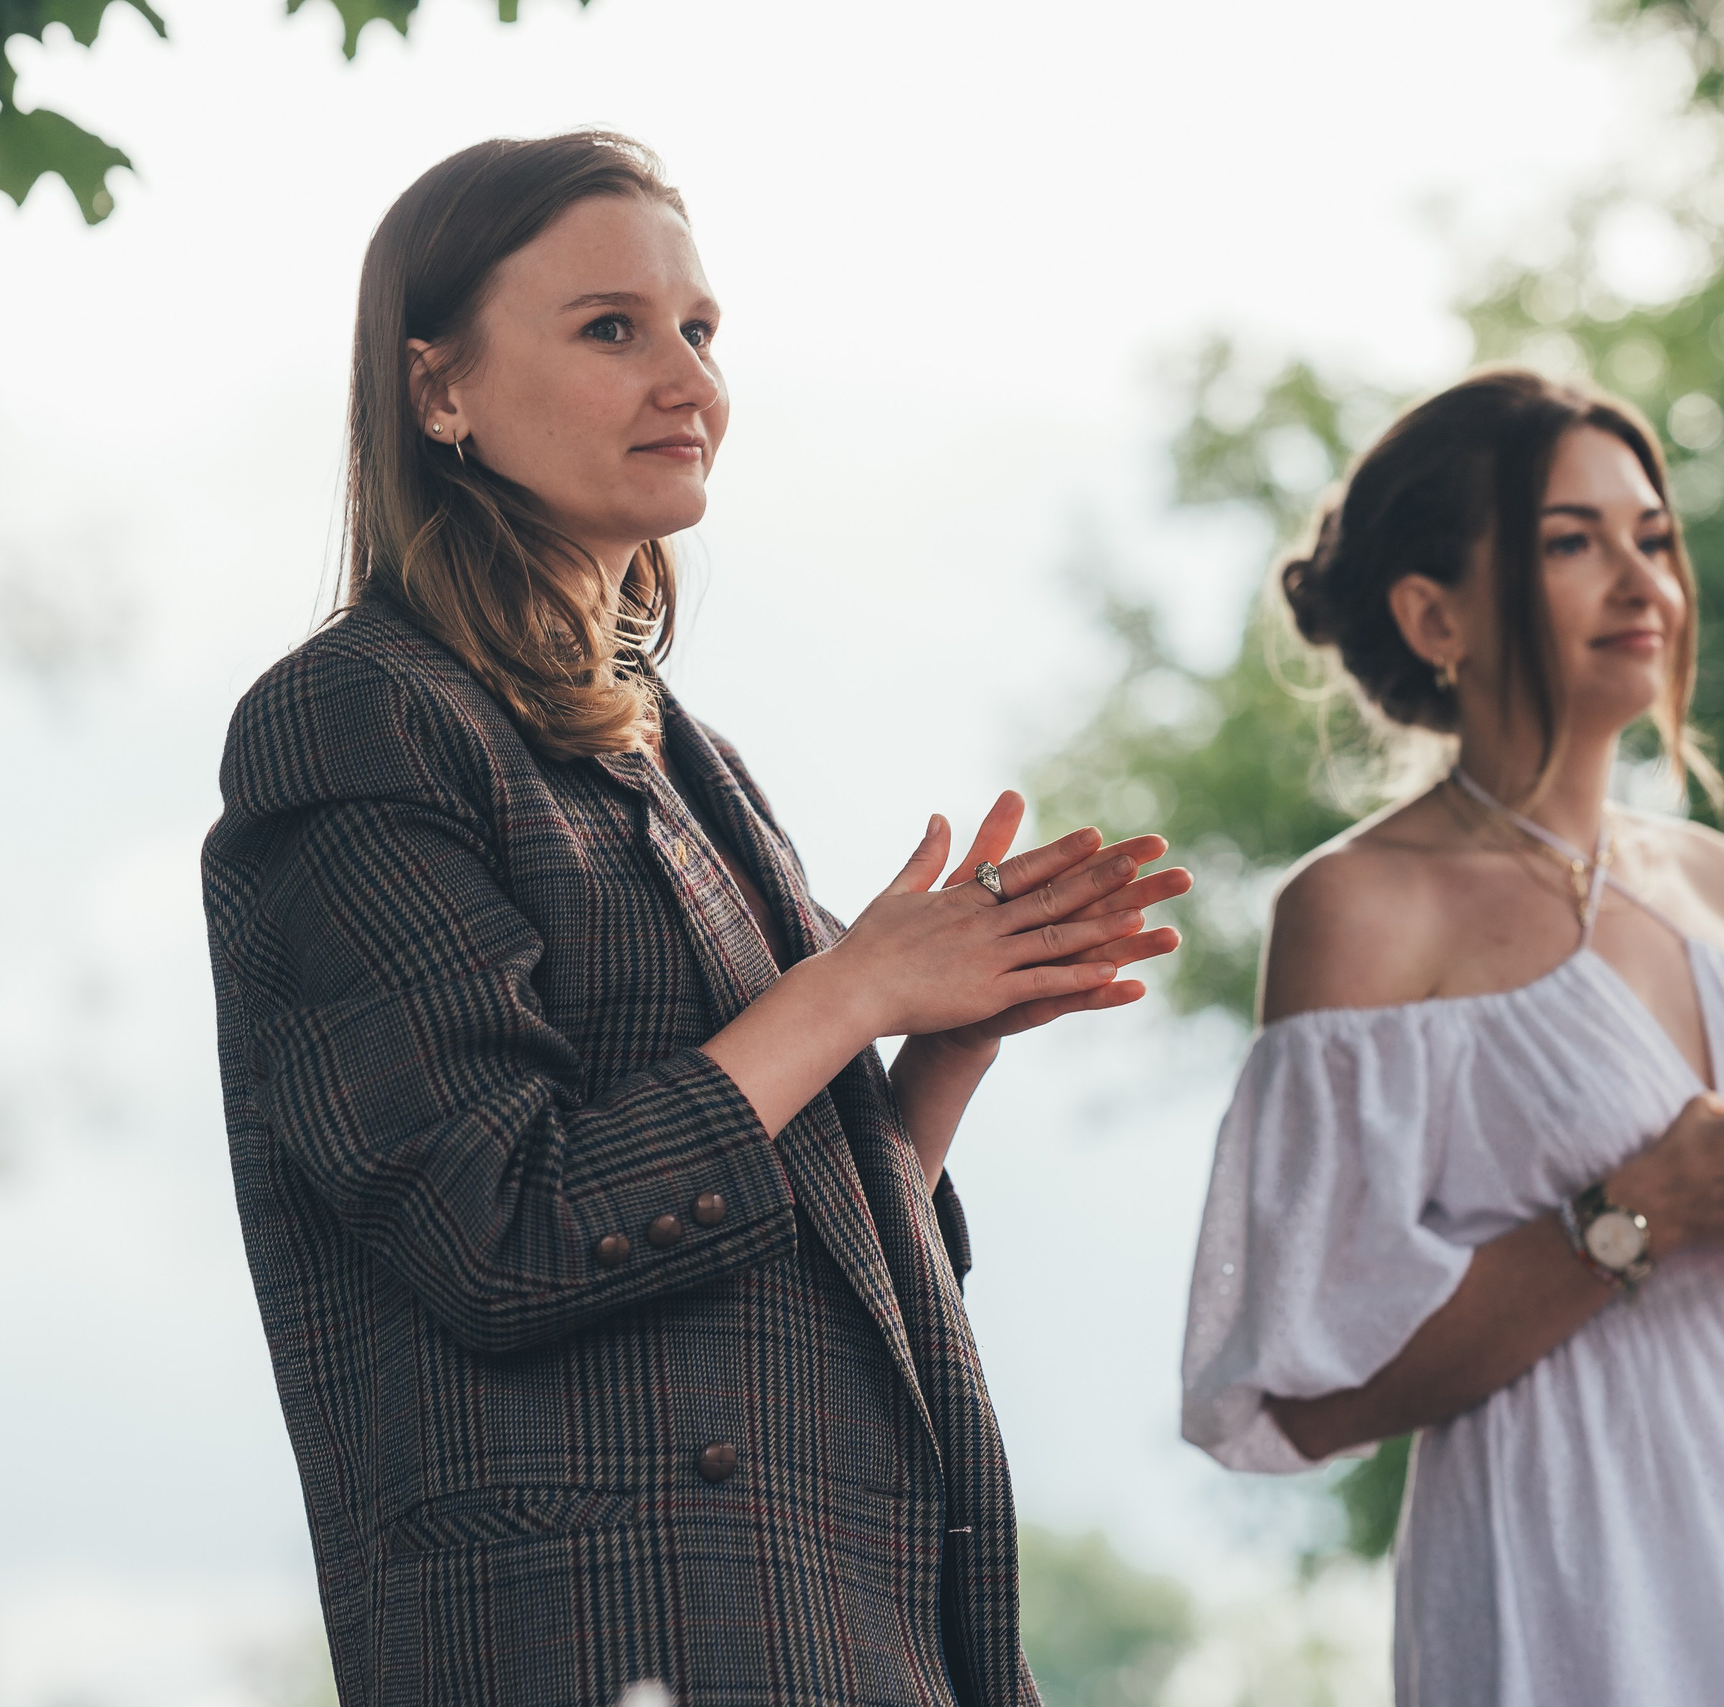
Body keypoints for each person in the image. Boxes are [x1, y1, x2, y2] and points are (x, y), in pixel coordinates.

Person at [203, 131, 1186, 1706]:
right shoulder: (352, 721)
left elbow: (782, 1255)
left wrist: (940, 1048)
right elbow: (500, 1230)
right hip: (608, 1643)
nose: (688, 380)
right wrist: (851, 990)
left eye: (700, 330)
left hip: (850, 1625)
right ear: (436, 389)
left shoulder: (690, 757)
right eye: (611, 329)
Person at [1179, 368, 1724, 1704]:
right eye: (1573, 540)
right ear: (1432, 613)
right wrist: (1634, 1215)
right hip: (1593, 1556)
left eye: (1654, 537)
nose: (1643, 581)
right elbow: (1307, 1391)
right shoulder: (1359, 910)